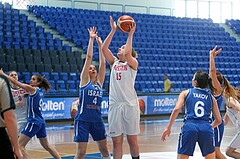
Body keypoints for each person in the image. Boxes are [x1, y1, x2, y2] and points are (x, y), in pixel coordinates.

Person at [0, 69, 61, 159]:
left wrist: (3, 74)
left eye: (33, 79)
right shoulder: (40, 91)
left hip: (33, 121)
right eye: (31, 79)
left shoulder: (33, 89)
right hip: (40, 121)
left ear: (38, 83)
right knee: (47, 145)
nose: (30, 81)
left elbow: (15, 82)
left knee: (20, 146)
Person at [102, 16, 140, 159]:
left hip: (130, 105)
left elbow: (127, 53)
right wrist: (113, 30)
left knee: (132, 140)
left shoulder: (132, 63)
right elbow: (104, 48)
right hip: (115, 105)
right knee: (116, 141)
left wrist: (130, 34)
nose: (120, 48)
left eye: (123, 47)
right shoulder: (114, 63)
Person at [161, 70, 222, 159]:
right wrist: (208, 127)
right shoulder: (211, 97)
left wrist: (168, 127)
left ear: (195, 82)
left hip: (190, 126)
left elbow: (176, 109)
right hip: (205, 127)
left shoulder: (186, 92)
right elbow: (219, 120)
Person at [73, 27, 110, 159]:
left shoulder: (99, 82)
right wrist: (91, 39)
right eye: (90, 68)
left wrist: (101, 46)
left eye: (94, 68)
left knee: (105, 150)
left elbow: (103, 64)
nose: (93, 69)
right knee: (81, 152)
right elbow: (89, 57)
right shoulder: (84, 81)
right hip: (82, 120)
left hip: (97, 120)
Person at [210, 45, 240, 159]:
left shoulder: (223, 95)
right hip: (218, 124)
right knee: (221, 152)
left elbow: (212, 72)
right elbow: (226, 119)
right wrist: (223, 121)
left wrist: (211, 57)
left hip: (222, 125)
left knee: (222, 153)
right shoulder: (224, 97)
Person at [0, 74, 23, 159]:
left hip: (24, 120)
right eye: (12, 75)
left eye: (15, 75)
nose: (14, 76)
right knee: (21, 146)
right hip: (12, 121)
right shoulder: (3, 83)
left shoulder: (28, 89)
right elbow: (9, 116)